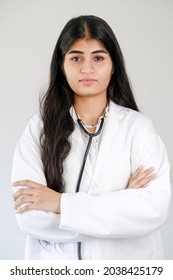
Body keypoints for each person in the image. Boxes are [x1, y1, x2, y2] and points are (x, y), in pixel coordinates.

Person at [12, 15, 171, 260]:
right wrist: (121, 205)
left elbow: (154, 210)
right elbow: (30, 218)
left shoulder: (139, 129)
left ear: (113, 64)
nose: (87, 68)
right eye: (76, 58)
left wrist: (59, 204)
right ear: (61, 65)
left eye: (98, 57)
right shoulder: (38, 130)